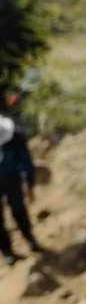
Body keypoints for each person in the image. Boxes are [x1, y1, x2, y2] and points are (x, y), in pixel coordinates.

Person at [0, 97, 41, 264]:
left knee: (19, 210)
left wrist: (30, 186)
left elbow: (26, 162)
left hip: (12, 179)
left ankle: (31, 240)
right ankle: (8, 253)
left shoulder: (15, 136)